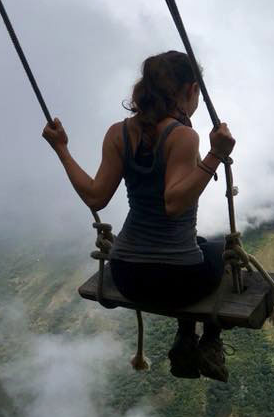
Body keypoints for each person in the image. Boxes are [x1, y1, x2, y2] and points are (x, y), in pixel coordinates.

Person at [42, 50, 236, 381]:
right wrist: (215, 156)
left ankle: (185, 337)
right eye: (197, 94)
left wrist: (61, 148)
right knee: (224, 255)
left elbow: (95, 196)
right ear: (189, 90)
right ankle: (208, 342)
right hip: (178, 282)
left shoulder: (118, 133)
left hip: (127, 274)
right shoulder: (183, 137)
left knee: (197, 244)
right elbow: (174, 204)